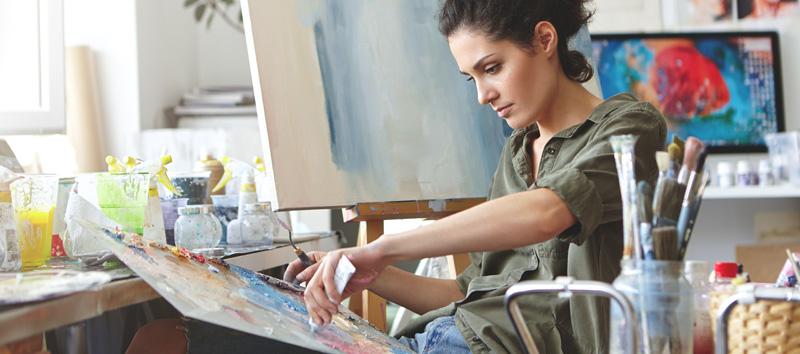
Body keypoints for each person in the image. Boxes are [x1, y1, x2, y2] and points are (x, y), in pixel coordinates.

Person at [284, 0, 667, 353]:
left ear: (545, 39)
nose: (483, 95)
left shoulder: (629, 127)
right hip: (439, 337)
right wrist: (369, 274)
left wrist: (383, 248)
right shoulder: (516, 153)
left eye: (492, 68)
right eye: (472, 78)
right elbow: (467, 292)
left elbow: (548, 212)